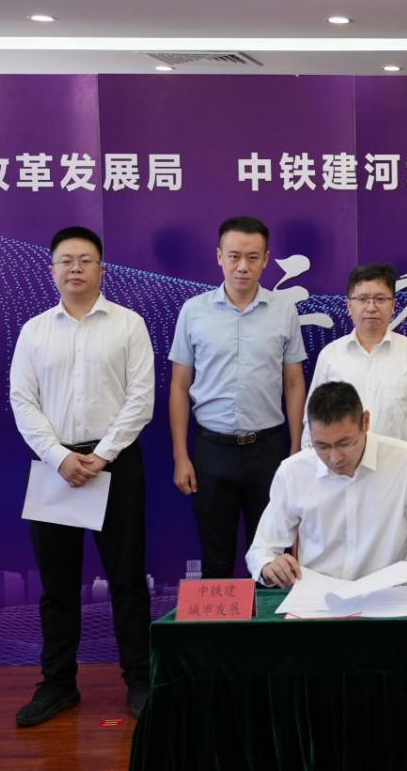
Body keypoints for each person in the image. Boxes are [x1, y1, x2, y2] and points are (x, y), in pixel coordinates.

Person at [9, 226, 154, 725]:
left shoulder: (128, 324)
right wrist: (59, 457)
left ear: (101, 269)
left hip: (117, 464)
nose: (76, 268)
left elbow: (141, 398)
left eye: (86, 260)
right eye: (66, 260)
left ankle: (140, 679)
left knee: (128, 580)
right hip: (55, 467)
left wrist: (104, 454)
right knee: (57, 585)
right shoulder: (34, 331)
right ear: (51, 269)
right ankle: (58, 684)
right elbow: (23, 401)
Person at [168, 216, 307, 579]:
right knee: (216, 563)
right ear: (219, 257)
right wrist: (181, 456)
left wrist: (296, 449)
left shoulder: (284, 311)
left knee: (272, 562)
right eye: (234, 256)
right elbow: (180, 385)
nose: (242, 266)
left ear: (266, 259)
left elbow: (294, 382)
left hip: (269, 449)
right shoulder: (194, 311)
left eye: (252, 257)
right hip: (211, 450)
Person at [246, 381, 407, 586]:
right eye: (322, 446)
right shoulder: (294, 471)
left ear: (366, 422)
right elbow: (261, 549)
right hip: (317, 596)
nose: (335, 458)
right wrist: (268, 565)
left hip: (388, 594)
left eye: (344, 443)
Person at [304, 262, 407, 469]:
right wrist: (312, 467)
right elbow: (312, 419)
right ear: (349, 305)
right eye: (362, 299)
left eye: (380, 299)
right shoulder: (330, 356)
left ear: (393, 305)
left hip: (399, 470)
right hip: (343, 471)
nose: (371, 307)